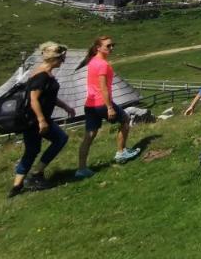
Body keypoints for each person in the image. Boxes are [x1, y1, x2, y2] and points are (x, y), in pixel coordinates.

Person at [8, 42, 76, 198]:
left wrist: (65, 106)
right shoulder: (41, 75)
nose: (63, 61)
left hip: (34, 120)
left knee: (32, 150)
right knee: (60, 139)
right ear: (54, 59)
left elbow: (49, 96)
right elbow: (34, 99)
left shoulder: (43, 73)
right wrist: (41, 120)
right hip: (35, 120)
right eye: (61, 58)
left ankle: (17, 186)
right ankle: (36, 174)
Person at [75, 36, 139, 178]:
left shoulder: (92, 61)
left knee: (89, 135)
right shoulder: (103, 64)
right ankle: (121, 153)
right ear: (98, 47)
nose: (111, 48)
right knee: (125, 119)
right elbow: (103, 87)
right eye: (108, 46)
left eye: (112, 45)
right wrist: (109, 107)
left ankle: (81, 169)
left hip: (90, 104)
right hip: (102, 102)